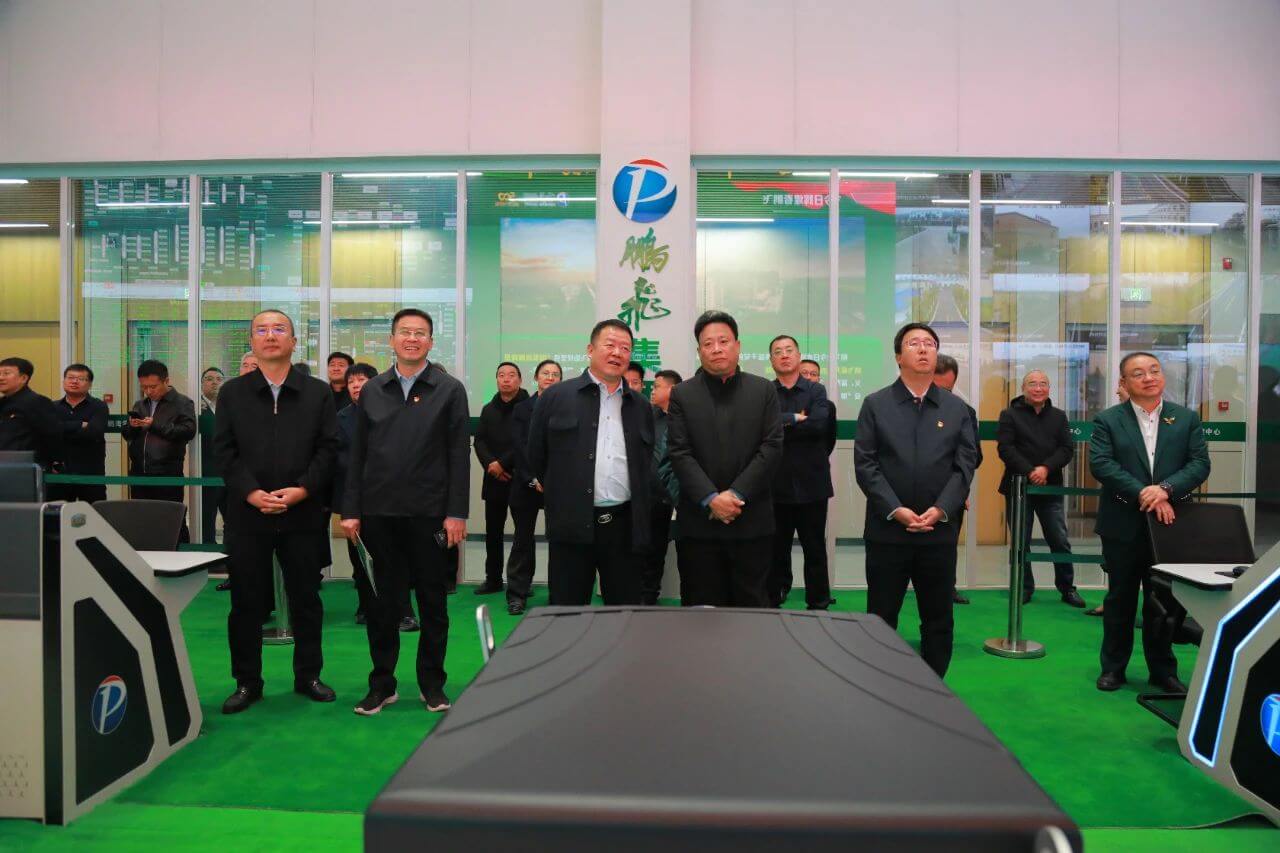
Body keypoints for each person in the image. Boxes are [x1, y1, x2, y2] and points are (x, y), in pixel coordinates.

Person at [341, 308, 469, 716]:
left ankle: (432, 684)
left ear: (431, 341)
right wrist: (351, 509)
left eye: (420, 333)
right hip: (379, 515)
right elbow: (357, 455)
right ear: (392, 339)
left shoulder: (449, 389)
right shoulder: (373, 390)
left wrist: (456, 513)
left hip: (431, 515)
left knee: (433, 603)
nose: (412, 339)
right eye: (405, 332)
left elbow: (458, 456)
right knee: (381, 604)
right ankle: (382, 684)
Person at [215, 310, 339, 714]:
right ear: (252, 342)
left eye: (279, 329)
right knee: (246, 603)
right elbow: (224, 451)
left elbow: (328, 449)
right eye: (262, 330)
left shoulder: (317, 393)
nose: (270, 336)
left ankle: (309, 676)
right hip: (247, 514)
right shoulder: (232, 393)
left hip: (302, 513)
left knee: (306, 599)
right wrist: (251, 493)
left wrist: (303, 489)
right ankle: (247, 682)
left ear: (293, 342)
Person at [854, 323, 977, 678]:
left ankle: (934, 687)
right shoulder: (876, 405)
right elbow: (866, 464)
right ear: (898, 356)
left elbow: (965, 466)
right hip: (888, 531)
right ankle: (880, 685)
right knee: (881, 617)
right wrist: (896, 509)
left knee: (938, 618)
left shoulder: (956, 409)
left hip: (938, 533)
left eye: (929, 343)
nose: (923, 349)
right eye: (914, 343)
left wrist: (942, 509)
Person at [1089, 352, 1209, 694]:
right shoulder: (1108, 420)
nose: (1149, 377)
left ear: (1163, 377)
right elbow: (1102, 464)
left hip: (1170, 526)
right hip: (1122, 523)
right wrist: (1146, 492)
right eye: (1138, 373)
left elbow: (1199, 464)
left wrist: (1165, 489)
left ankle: (1163, 671)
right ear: (1124, 383)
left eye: (1154, 371)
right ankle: (1113, 668)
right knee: (1120, 599)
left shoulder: (1185, 419)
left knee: (1165, 602)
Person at [528, 319, 655, 607]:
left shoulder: (640, 405)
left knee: (623, 611)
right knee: (568, 611)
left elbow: (644, 461)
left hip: (624, 527)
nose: (617, 353)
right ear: (590, 349)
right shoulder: (557, 396)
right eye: (609, 345)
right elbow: (536, 454)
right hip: (571, 523)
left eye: (625, 348)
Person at [668, 311, 783, 607]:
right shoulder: (682, 394)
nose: (716, 349)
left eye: (723, 341)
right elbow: (679, 452)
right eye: (708, 344)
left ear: (738, 346)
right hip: (699, 524)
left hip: (752, 520)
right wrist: (711, 498)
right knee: (701, 609)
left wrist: (735, 495)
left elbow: (771, 447)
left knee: (752, 607)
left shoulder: (763, 390)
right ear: (699, 351)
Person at [996, 370, 1085, 608]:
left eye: (1043, 384)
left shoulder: (1058, 416)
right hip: (1018, 488)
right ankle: (1024, 588)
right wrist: (1030, 471)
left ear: (1049, 388)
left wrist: (1045, 469)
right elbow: (1005, 449)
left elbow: (1066, 449)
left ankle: (1067, 588)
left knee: (1059, 539)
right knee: (1020, 542)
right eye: (1033, 384)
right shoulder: (1009, 415)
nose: (1038, 388)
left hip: (1050, 488)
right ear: (1023, 388)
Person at [766, 335, 834, 610]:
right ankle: (773, 598)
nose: (784, 355)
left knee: (815, 548)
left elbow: (819, 426)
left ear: (798, 355)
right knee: (774, 549)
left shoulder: (816, 391)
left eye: (789, 350)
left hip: (812, 484)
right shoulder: (766, 392)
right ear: (771, 360)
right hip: (774, 485)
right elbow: (762, 426)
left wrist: (780, 425)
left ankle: (818, 602)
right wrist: (794, 418)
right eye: (777, 352)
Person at [505, 359, 562, 615]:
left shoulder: (567, 408)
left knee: (559, 541)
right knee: (522, 541)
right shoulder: (522, 409)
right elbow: (519, 447)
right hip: (525, 484)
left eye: (555, 374)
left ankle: (559, 595)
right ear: (536, 378)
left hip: (556, 484)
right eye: (545, 373)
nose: (550, 377)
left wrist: (550, 479)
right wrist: (533, 478)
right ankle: (517, 594)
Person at [121, 359, 197, 541]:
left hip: (167, 473)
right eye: (144, 387)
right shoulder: (140, 405)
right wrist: (132, 427)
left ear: (166, 381)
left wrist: (155, 425)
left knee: (172, 520)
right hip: (139, 473)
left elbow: (188, 431)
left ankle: (181, 556)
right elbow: (128, 436)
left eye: (153, 386)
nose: (148, 391)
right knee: (142, 521)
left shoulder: (182, 403)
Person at [473, 362, 530, 595]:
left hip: (519, 479)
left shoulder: (528, 407)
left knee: (523, 535)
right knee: (493, 532)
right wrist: (491, 464)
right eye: (501, 375)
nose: (506, 379)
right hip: (494, 479)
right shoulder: (488, 409)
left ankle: (522, 583)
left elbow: (526, 442)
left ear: (520, 380)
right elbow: (479, 441)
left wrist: (502, 463)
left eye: (512, 375)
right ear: (496, 380)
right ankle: (493, 579)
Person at [933, 354, 983, 605]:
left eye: (948, 390)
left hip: (950, 494)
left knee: (946, 546)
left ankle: (946, 588)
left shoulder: (964, 412)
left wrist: (958, 489)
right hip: (909, 494)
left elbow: (975, 457)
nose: (943, 396)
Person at [1086, 378, 1133, 618]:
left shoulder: (1169, 419)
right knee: (1115, 561)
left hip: (1158, 505)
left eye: (1121, 386)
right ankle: (1112, 604)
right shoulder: (1109, 420)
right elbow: (1102, 463)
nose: (1117, 391)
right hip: (1118, 504)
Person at [640, 368, 683, 605]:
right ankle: (646, 598)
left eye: (657, 386)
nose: (652, 391)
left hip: (677, 499)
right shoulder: (648, 417)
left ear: (672, 389)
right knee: (648, 552)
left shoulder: (685, 417)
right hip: (649, 498)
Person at [50, 363, 108, 503]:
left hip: (90, 471)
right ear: (64, 381)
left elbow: (94, 432)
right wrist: (79, 424)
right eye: (70, 378)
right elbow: (48, 432)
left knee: (94, 512)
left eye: (81, 379)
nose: (74, 382)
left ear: (90, 384)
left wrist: (62, 429)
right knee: (57, 513)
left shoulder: (99, 406)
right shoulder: (53, 407)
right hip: (59, 471)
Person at [0, 357, 64, 471]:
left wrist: (55, 461)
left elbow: (52, 435)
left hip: (26, 467)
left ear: (23, 378)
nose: (1, 377)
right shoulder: (2, 403)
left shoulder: (37, 402)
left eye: (6, 373)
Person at [199, 367, 227, 545]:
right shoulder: (196, 408)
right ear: (202, 384)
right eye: (209, 379)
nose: (215, 382)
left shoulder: (230, 406)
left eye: (219, 379)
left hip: (229, 472)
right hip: (206, 471)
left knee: (231, 516)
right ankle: (208, 552)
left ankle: (230, 553)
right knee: (207, 516)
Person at [799, 358, 837, 456]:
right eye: (804, 373)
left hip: (816, 460)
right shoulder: (784, 400)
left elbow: (830, 439)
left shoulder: (828, 406)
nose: (808, 377)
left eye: (813, 374)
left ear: (818, 379)